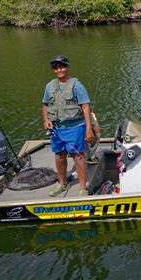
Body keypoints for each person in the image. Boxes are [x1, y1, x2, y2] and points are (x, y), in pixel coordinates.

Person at [42, 55, 94, 197]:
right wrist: (46, 119)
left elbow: (85, 107)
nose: (60, 70)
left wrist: (89, 129)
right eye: (56, 67)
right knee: (59, 155)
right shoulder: (49, 86)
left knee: (78, 156)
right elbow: (45, 105)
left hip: (75, 128)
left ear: (68, 67)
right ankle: (62, 183)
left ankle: (82, 188)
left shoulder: (77, 85)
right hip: (56, 129)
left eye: (62, 66)